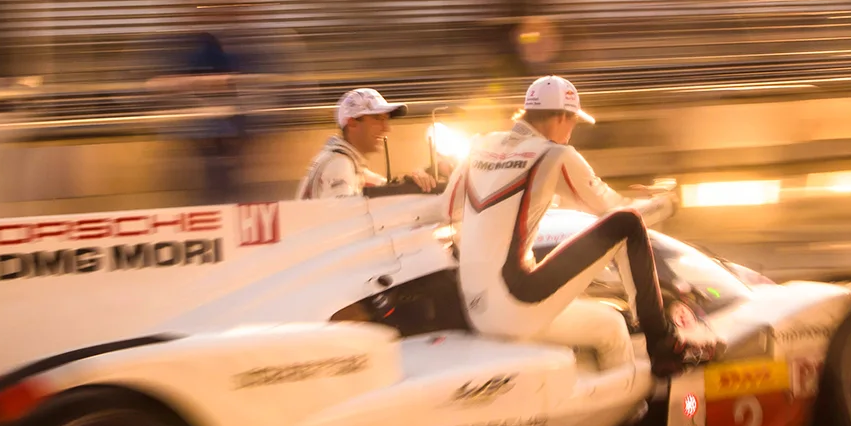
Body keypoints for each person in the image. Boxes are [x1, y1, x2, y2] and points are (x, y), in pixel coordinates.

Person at [444, 74, 711, 377]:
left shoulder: (479, 145)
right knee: (628, 225)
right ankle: (662, 343)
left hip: (477, 312)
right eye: (572, 122)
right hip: (514, 305)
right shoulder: (555, 153)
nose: (571, 133)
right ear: (560, 117)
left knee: (609, 327)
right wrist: (665, 201)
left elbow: (445, 207)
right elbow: (615, 211)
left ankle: (626, 403)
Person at [299, 88, 435, 199]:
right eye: (377, 118)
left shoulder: (347, 163)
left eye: (386, 120)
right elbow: (345, 221)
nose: (386, 128)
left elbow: (385, 188)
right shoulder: (339, 165)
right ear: (352, 123)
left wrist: (413, 180)